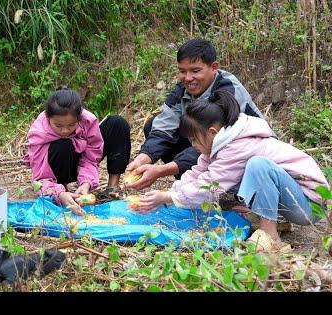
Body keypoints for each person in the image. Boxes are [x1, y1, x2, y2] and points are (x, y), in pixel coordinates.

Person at [137, 90, 330, 253]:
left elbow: (208, 186)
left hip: (309, 205)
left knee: (258, 165)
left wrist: (166, 197)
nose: (193, 145)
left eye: (194, 140)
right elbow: (198, 173)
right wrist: (171, 193)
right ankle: (272, 219)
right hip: (292, 196)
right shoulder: (218, 144)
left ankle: (271, 237)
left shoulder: (238, 146)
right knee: (249, 170)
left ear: (212, 132)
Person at [125, 38, 264, 190]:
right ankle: (191, 183)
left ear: (214, 67)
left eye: (195, 71)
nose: (188, 78)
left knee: (208, 140)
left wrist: (161, 171)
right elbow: (164, 127)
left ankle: (230, 190)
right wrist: (144, 158)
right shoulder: (182, 90)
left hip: (242, 153)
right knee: (152, 125)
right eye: (182, 71)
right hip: (208, 146)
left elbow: (213, 141)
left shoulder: (228, 91)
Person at [24, 86, 131, 215]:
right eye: (58, 125)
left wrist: (87, 182)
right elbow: (40, 177)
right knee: (63, 144)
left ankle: (112, 189)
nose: (65, 130)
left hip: (79, 157)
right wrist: (59, 193)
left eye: (71, 125)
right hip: (57, 163)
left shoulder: (87, 121)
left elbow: (91, 156)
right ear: (48, 117)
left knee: (117, 124)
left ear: (79, 118)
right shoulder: (39, 133)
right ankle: (63, 191)